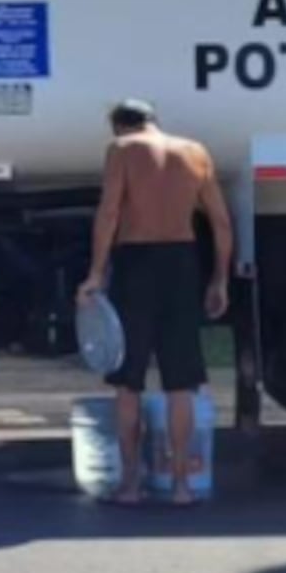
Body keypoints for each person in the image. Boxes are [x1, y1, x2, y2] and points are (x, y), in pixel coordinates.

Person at [75, 99, 231, 505]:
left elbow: (109, 212)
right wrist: (218, 279)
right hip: (182, 262)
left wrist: (95, 273)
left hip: (136, 263)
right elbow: (220, 221)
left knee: (128, 381)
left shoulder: (122, 150)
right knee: (181, 384)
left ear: (119, 126)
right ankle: (180, 485)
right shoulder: (195, 151)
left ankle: (131, 485)